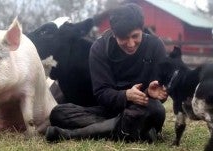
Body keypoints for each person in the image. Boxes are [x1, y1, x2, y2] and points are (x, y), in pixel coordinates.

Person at [45, 3, 168, 143]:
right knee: (59, 113)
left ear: (141, 29)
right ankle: (133, 130)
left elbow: (161, 94)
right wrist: (126, 95)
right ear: (114, 34)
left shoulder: (155, 46)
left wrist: (152, 92)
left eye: (135, 36)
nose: (131, 43)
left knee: (156, 109)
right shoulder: (99, 48)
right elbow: (101, 94)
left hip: (142, 109)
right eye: (123, 38)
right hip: (108, 111)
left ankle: (70, 135)